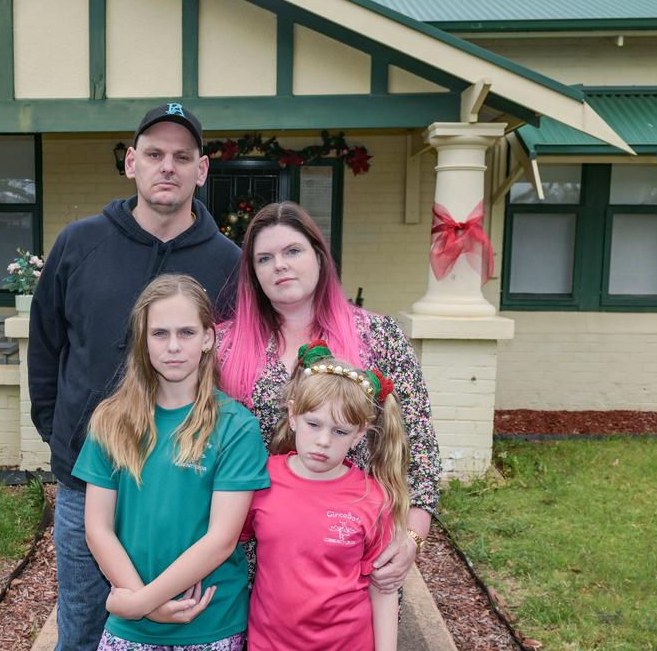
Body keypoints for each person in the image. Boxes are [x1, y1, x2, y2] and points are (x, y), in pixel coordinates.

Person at [30, 104, 241, 650]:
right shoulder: (79, 244)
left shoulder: (230, 264)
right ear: (131, 162)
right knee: (81, 631)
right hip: (89, 482)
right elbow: (47, 346)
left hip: (186, 490)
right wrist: (65, 437)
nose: (166, 167)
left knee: (181, 629)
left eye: (181, 156)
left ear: (203, 170)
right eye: (153, 154)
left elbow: (239, 366)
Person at [216, 201, 440, 592]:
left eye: (292, 251)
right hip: (253, 562)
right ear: (253, 274)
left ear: (320, 257)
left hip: (348, 556)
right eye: (264, 258)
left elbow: (420, 452)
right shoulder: (223, 347)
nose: (279, 265)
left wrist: (412, 539)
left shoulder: (379, 337)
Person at [74, 274, 269, 650]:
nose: (174, 347)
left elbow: (221, 540)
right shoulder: (111, 420)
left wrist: (142, 603)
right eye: (160, 334)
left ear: (208, 338)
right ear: (143, 341)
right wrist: (143, 603)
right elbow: (97, 529)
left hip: (210, 622)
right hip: (130, 626)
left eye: (187, 333)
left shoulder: (236, 427)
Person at [241, 342, 409, 651]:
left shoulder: (371, 498)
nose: (323, 441)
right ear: (293, 416)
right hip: (269, 644)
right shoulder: (261, 480)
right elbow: (226, 543)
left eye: (340, 432)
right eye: (313, 424)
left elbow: (384, 588)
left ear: (360, 434)